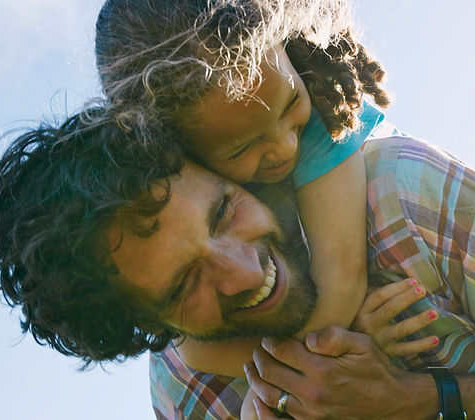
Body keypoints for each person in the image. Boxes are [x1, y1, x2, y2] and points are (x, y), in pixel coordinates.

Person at [0, 106, 475, 419]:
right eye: (188, 284)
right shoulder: (184, 391)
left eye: (222, 212)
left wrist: (423, 402)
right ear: (144, 326)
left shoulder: (403, 198)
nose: (244, 272)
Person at [94, 0, 393, 378]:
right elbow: (198, 356)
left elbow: (342, 282)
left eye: (291, 103)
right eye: (240, 148)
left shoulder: (325, 121)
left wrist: (331, 344)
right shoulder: (186, 194)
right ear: (176, 151)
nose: (286, 146)